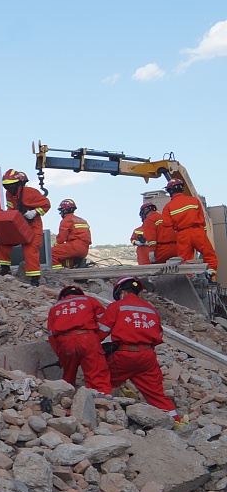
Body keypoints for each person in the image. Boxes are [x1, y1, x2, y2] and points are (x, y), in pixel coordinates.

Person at [99, 276, 182, 421]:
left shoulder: (117, 306)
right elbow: (159, 334)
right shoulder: (151, 309)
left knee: (101, 379)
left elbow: (100, 332)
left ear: (122, 291)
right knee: (156, 394)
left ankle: (102, 416)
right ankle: (176, 421)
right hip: (147, 357)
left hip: (125, 355)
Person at [46, 285, 111, 393]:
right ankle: (103, 403)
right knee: (97, 375)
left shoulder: (55, 307)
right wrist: (96, 338)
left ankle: (65, 400)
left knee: (68, 376)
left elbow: (52, 335)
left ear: (63, 296)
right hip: (88, 338)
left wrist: (61, 355)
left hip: (65, 342)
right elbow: (106, 322)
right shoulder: (90, 301)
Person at [0, 169, 50, 285]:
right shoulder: (9, 194)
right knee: (2, 242)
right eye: (6, 186)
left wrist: (34, 212)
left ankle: (34, 280)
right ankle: (4, 270)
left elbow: (46, 204)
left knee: (30, 250)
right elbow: (11, 208)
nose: (9, 189)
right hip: (17, 224)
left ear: (19, 184)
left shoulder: (30, 192)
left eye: (11, 186)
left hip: (33, 225)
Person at [159, 178, 218, 279]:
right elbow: (202, 219)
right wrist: (201, 233)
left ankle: (188, 278)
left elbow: (166, 224)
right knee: (209, 254)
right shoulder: (194, 201)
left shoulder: (168, 207)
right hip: (197, 231)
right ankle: (210, 272)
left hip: (182, 235)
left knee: (184, 259)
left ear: (170, 191)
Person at [51, 199, 91, 269]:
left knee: (51, 253)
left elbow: (61, 238)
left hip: (74, 246)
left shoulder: (67, 220)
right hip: (84, 249)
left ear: (65, 210)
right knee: (64, 257)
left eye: (61, 211)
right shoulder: (82, 220)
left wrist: (55, 246)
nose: (61, 213)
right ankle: (75, 265)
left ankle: (57, 274)